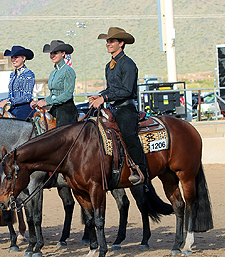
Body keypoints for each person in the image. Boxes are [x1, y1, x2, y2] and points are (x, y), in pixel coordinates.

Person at [88, 27, 147, 186]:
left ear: (121, 43)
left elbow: (127, 90)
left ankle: (141, 170)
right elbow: (111, 88)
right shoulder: (109, 65)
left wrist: (104, 98)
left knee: (128, 135)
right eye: (107, 41)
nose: (108, 44)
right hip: (113, 108)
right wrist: (99, 95)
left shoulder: (128, 64)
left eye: (111, 41)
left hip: (126, 108)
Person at [30, 40, 78, 126]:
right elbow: (52, 95)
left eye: (55, 53)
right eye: (51, 53)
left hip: (66, 110)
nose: (52, 55)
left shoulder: (68, 71)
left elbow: (67, 94)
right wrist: (41, 102)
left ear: (63, 53)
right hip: (55, 108)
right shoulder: (53, 73)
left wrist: (47, 102)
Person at [0, 46, 35, 120]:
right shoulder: (12, 74)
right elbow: (12, 95)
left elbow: (27, 97)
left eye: (16, 57)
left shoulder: (28, 74)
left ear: (23, 58)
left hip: (24, 111)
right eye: (12, 57)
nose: (13, 60)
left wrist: (7, 101)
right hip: (13, 110)